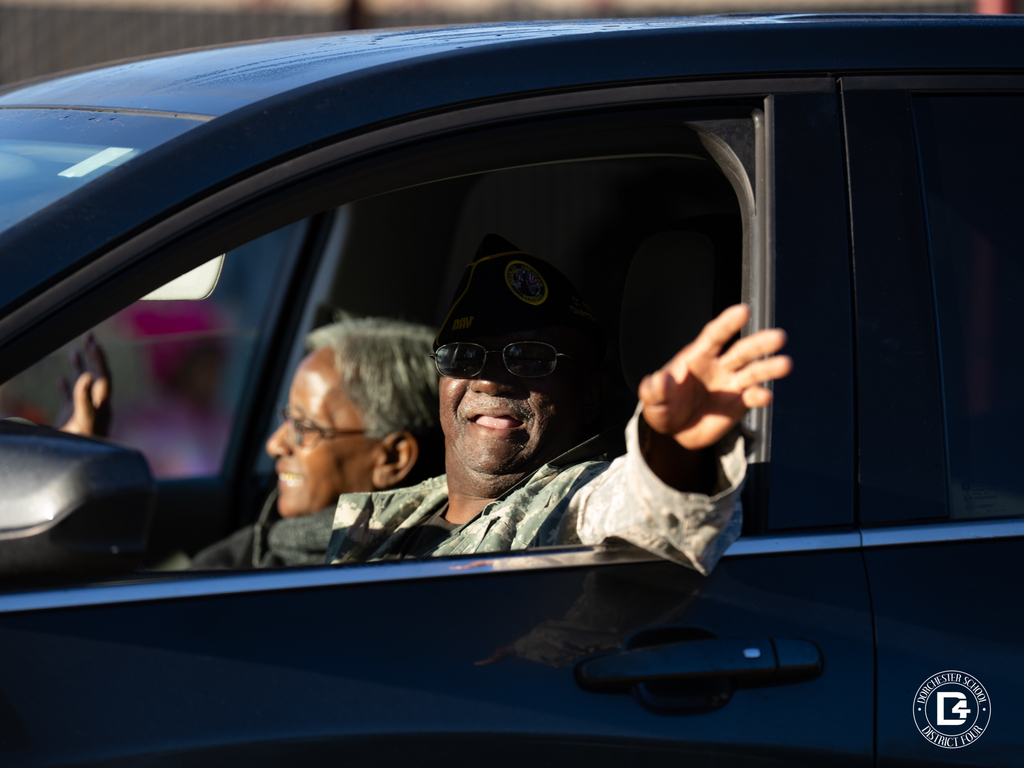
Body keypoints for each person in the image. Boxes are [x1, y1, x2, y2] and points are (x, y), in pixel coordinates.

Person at [325, 235, 792, 574]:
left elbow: (643, 515)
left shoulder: (575, 503)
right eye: (464, 357)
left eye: (529, 358)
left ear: (590, 393)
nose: (488, 378)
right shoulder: (393, 514)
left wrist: (672, 446)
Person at [190, 317, 442, 568]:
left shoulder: (409, 576)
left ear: (392, 458)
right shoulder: (243, 554)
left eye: (303, 426)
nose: (274, 445)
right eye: (287, 418)